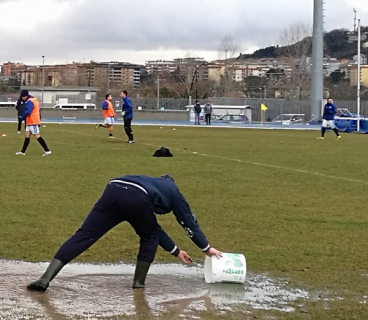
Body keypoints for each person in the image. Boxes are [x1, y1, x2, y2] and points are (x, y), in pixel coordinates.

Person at [27, 174, 223, 291]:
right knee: (149, 237)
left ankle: (45, 279)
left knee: (83, 235)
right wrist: (206, 248)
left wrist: (177, 252)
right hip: (136, 196)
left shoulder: (150, 182)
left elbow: (152, 226)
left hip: (112, 188)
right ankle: (138, 284)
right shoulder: (173, 190)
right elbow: (187, 222)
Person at [16, 90, 51, 156]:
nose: (22, 99)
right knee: (27, 136)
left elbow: (28, 111)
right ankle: (22, 152)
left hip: (33, 121)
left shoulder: (30, 101)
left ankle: (47, 150)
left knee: (37, 136)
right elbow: (38, 111)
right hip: (30, 121)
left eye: (22, 97)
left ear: (24, 96)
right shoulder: (34, 100)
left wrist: (22, 117)